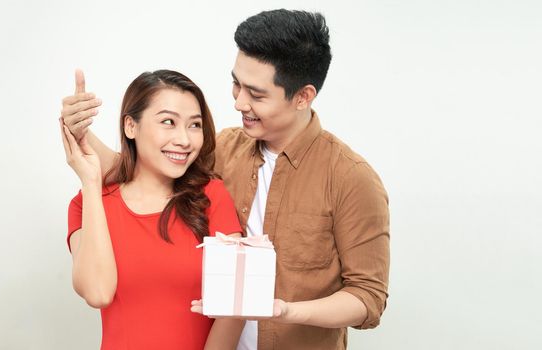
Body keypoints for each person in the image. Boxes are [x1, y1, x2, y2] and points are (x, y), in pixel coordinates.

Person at [61, 9, 390, 350]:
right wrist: (80, 133)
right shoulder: (225, 150)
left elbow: (368, 297)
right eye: (236, 84)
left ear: (303, 96)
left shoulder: (351, 179)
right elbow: (147, 173)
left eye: (257, 94)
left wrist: (286, 311)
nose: (239, 102)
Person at [60, 69, 245, 349]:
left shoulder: (211, 196)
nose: (184, 139)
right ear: (130, 127)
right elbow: (98, 293)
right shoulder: (88, 203)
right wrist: (90, 180)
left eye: (194, 125)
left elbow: (234, 309)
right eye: (168, 122)